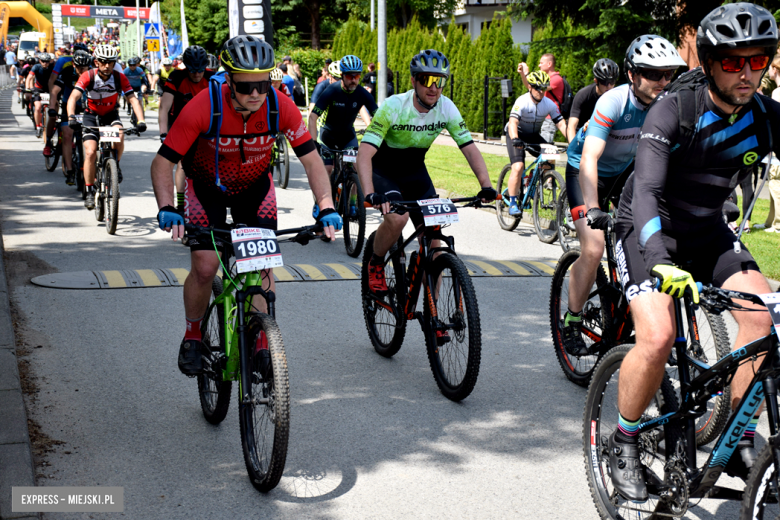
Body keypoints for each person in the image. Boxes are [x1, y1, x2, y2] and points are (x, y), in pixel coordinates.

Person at [608, 3, 779, 502]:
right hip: (646, 230)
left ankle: (741, 436)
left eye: (759, 60)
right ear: (708, 61)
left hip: (707, 229)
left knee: (763, 323)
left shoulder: (766, 118)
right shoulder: (675, 109)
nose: (747, 73)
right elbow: (646, 193)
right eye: (733, 62)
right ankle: (624, 437)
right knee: (659, 337)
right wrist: (660, 258)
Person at [150, 35, 341, 376]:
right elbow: (163, 163)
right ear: (228, 79)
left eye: (262, 84)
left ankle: (264, 343)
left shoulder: (278, 105)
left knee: (261, 265)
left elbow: (311, 160)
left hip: (254, 189)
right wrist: (168, 206)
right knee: (206, 267)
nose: (255, 93)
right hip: (206, 189)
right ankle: (193, 334)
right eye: (245, 86)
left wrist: (325, 205)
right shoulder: (204, 106)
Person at [561, 35, 686, 357]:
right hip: (585, 173)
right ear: (632, 74)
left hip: (624, 176)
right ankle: (572, 320)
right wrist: (592, 209)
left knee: (648, 239)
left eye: (668, 74)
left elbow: (675, 157)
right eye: (653, 73)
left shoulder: (666, 104)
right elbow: (589, 158)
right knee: (593, 247)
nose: (662, 81)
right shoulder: (613, 102)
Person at [356, 49, 496, 306]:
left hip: (415, 173)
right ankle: (376, 262)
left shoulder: (446, 107)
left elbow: (469, 148)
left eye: (439, 81)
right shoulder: (394, 106)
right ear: (413, 81)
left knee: (436, 244)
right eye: (426, 80)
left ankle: (434, 313)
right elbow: (364, 154)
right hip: (384, 171)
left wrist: (486, 186)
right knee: (398, 219)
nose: (433, 87)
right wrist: (369, 192)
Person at [67, 45, 146, 210]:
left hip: (110, 115)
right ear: (96, 62)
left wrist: (140, 121)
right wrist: (71, 117)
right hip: (91, 117)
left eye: (110, 62)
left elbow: (132, 99)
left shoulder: (119, 77)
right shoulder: (88, 76)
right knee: (90, 152)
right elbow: (73, 97)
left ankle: (115, 165)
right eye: (103, 62)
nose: (107, 65)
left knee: (120, 135)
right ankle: (89, 190)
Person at [307, 55, 377, 215]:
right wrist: (313, 141)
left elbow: (378, 118)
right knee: (327, 169)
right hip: (328, 136)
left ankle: (352, 204)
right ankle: (320, 202)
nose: (353, 80)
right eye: (349, 76)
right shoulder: (331, 90)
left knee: (356, 168)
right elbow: (313, 116)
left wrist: (376, 137)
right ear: (342, 76)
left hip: (347, 136)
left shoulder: (362, 93)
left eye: (357, 76)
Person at [503, 70, 567, 216]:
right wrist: (514, 139)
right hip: (516, 134)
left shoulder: (549, 104)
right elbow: (513, 122)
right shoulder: (522, 101)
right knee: (518, 166)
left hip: (532, 136)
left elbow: (561, 124)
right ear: (530, 87)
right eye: (538, 88)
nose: (541, 91)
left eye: (544, 88)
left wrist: (573, 140)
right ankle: (513, 202)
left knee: (551, 156)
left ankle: (531, 178)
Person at [159, 45, 214, 213]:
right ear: (185, 66)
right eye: (192, 70)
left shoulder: (212, 78)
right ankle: (182, 204)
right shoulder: (176, 77)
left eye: (200, 70)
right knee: (182, 164)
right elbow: (164, 108)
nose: (196, 74)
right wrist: (163, 133)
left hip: (206, 126)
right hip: (180, 125)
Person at [50, 50, 91, 185]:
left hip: (87, 109)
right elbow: (55, 91)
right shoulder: (67, 72)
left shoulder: (92, 74)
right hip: (69, 108)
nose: (81, 70)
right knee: (67, 135)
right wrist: (52, 108)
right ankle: (69, 171)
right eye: (78, 67)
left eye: (83, 68)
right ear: (73, 64)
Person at [566, 58, 619, 142]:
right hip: (582, 134)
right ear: (596, 81)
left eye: (612, 82)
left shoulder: (617, 97)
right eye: (604, 82)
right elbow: (571, 126)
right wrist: (572, 148)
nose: (609, 86)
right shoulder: (583, 94)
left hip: (603, 134)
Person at [518, 53, 565, 142]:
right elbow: (530, 86)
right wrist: (522, 74)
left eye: (541, 63)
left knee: (545, 146)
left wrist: (527, 72)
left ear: (549, 64)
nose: (539, 65)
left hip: (550, 116)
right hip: (543, 115)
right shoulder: (546, 78)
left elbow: (538, 86)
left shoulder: (556, 79)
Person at [26, 53, 55, 138]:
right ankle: (38, 127)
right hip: (38, 89)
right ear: (39, 61)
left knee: (54, 104)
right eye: (43, 61)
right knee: (38, 107)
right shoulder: (36, 67)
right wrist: (28, 89)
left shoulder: (52, 67)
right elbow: (29, 78)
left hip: (49, 88)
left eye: (47, 61)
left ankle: (53, 122)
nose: (45, 63)